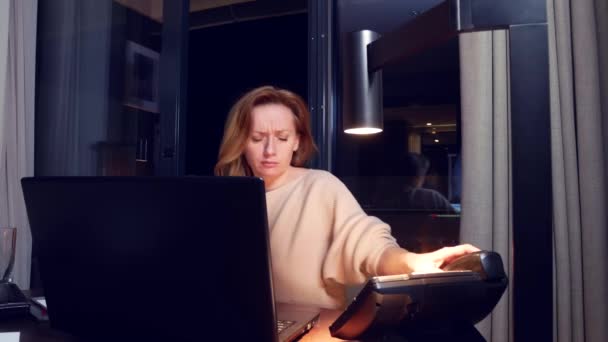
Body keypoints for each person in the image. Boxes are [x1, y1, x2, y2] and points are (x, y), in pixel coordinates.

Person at [214, 86, 478, 309]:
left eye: (282, 138)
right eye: (257, 138)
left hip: (314, 329)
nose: (270, 150)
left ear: (297, 141)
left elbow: (369, 245)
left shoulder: (319, 186)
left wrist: (411, 261)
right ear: (241, 142)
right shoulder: (225, 200)